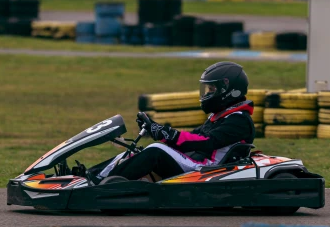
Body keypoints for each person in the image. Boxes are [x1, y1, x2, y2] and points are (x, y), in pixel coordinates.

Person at [97, 61, 255, 183]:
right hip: (196, 162)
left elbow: (206, 142)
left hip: (207, 170)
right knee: (134, 152)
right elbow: (192, 136)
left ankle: (108, 186)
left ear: (228, 91)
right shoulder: (221, 115)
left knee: (156, 150)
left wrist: (166, 133)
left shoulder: (239, 120)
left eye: (212, 90)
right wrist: (159, 131)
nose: (207, 94)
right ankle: (93, 177)